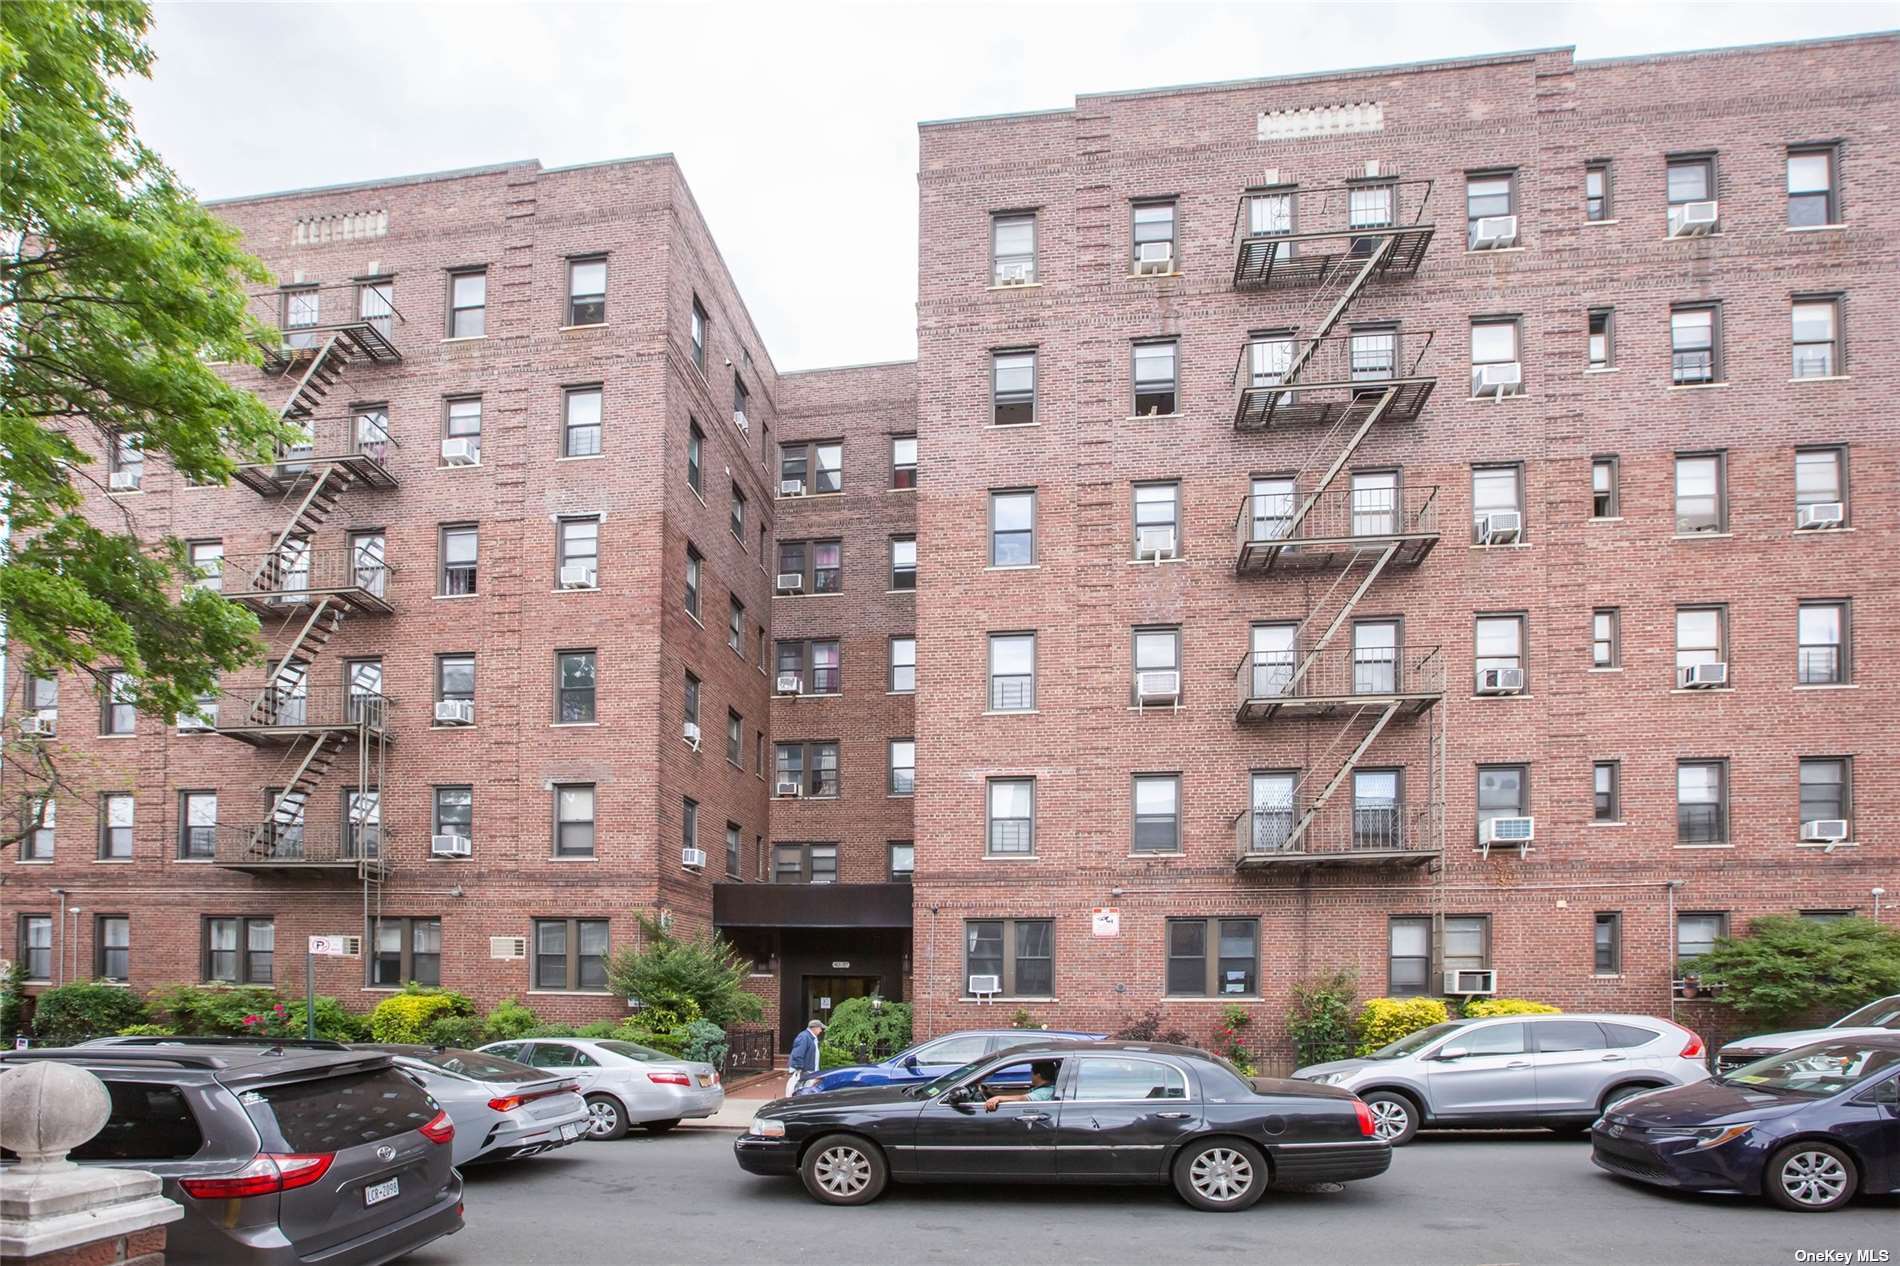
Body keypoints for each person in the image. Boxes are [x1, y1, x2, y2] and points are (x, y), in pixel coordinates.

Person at [984, 1060, 1059, 1112]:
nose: (1030, 1075)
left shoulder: (1044, 1092)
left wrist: (999, 1098)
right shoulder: (1047, 1089)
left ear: (1038, 1075)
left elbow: (1023, 1098)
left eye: (1031, 1072)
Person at [786, 1019, 825, 1097]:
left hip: (808, 1071)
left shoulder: (810, 1037)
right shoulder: (804, 1037)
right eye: (820, 1028)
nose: (821, 1030)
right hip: (805, 1071)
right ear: (815, 1028)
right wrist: (801, 1070)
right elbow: (797, 1054)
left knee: (806, 1092)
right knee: (802, 1092)